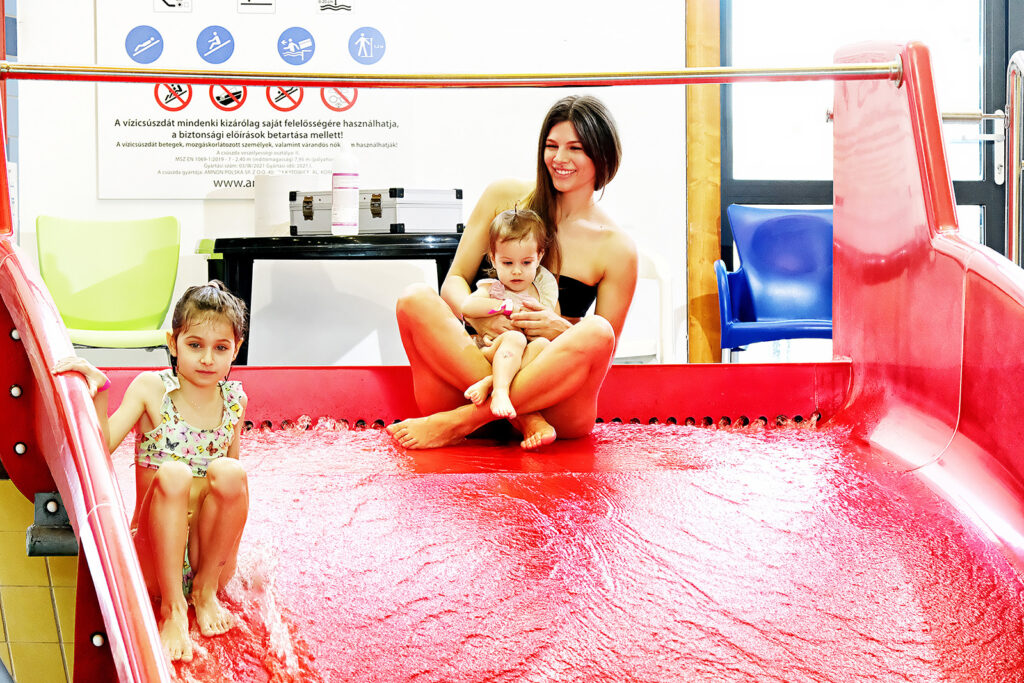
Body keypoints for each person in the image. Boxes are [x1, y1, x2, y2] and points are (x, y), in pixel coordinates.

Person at [388, 94, 637, 450]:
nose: (560, 158)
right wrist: (484, 317)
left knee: (598, 330)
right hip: (475, 373)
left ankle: (461, 422)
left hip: (553, 400)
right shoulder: (503, 197)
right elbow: (454, 281)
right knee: (413, 299)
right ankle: (518, 416)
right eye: (551, 146)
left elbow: (604, 353)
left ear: (603, 155)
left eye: (575, 148)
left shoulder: (617, 247)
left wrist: (560, 329)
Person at [52, 280, 249, 663]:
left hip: (210, 561)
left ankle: (205, 592)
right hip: (154, 559)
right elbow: (101, 448)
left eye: (221, 348)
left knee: (230, 471)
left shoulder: (235, 400)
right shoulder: (152, 388)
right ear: (173, 343)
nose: (207, 359)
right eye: (195, 345)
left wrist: (225, 560)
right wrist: (100, 390)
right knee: (174, 474)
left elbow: (235, 496)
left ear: (235, 349)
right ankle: (173, 608)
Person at [462, 206, 559, 419]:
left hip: (525, 359)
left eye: (526, 262)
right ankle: (500, 391)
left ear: (539, 257)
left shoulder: (543, 291)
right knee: (515, 338)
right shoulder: (493, 288)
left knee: (544, 345)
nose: (516, 270)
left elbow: (554, 325)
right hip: (494, 350)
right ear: (493, 259)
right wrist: (503, 306)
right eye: (507, 263)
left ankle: (491, 383)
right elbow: (467, 307)